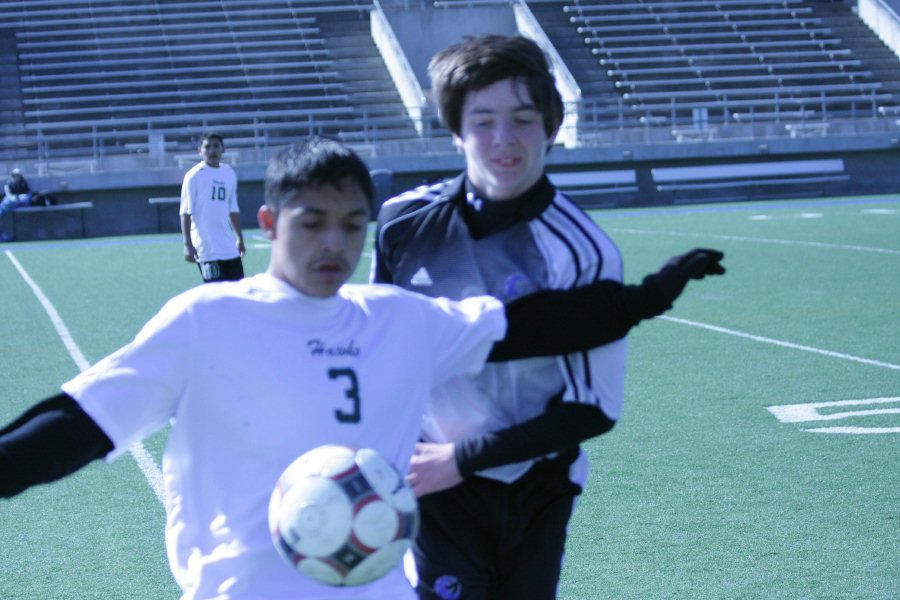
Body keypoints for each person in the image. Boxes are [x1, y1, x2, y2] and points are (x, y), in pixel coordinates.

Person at [0, 137, 725, 599]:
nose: (334, 243)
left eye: (352, 225)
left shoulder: (397, 319)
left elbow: (531, 326)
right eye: (312, 221)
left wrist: (649, 296)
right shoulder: (207, 320)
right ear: (269, 224)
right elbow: (81, 424)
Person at [372, 35, 722, 600]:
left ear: (552, 127)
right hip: (433, 481)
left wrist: (463, 459)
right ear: (456, 129)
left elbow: (593, 408)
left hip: (533, 485)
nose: (503, 140)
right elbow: (383, 349)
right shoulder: (402, 223)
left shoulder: (584, 252)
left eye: (523, 119)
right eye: (482, 121)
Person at [180, 132, 245, 282]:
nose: (212, 151)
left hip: (229, 247)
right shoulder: (194, 176)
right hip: (207, 248)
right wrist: (187, 245)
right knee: (214, 293)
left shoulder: (229, 173)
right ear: (199, 151)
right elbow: (185, 212)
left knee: (237, 291)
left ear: (223, 149)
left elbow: (233, 209)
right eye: (207, 147)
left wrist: (239, 239)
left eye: (216, 146)